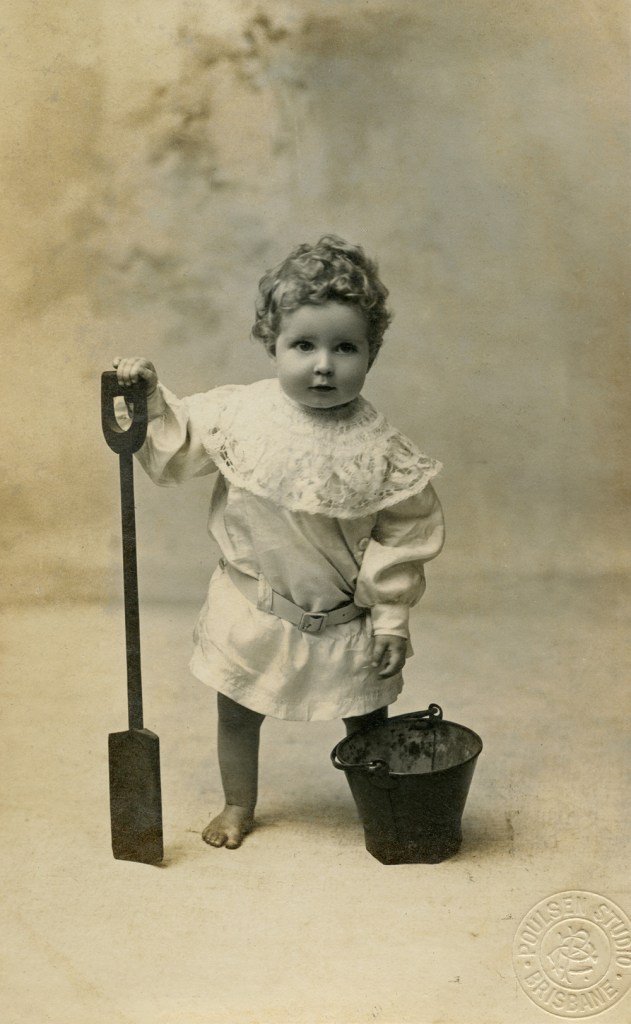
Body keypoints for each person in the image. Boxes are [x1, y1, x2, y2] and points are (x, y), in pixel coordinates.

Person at [113, 235, 445, 850]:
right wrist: (147, 396)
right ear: (273, 345)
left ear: (371, 353)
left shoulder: (380, 448)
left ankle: (381, 806)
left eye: (345, 347)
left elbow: (404, 537)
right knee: (238, 709)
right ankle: (239, 803)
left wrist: (392, 618)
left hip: (346, 618)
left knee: (366, 717)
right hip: (256, 609)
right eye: (304, 345)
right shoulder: (242, 415)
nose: (324, 364)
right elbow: (175, 443)